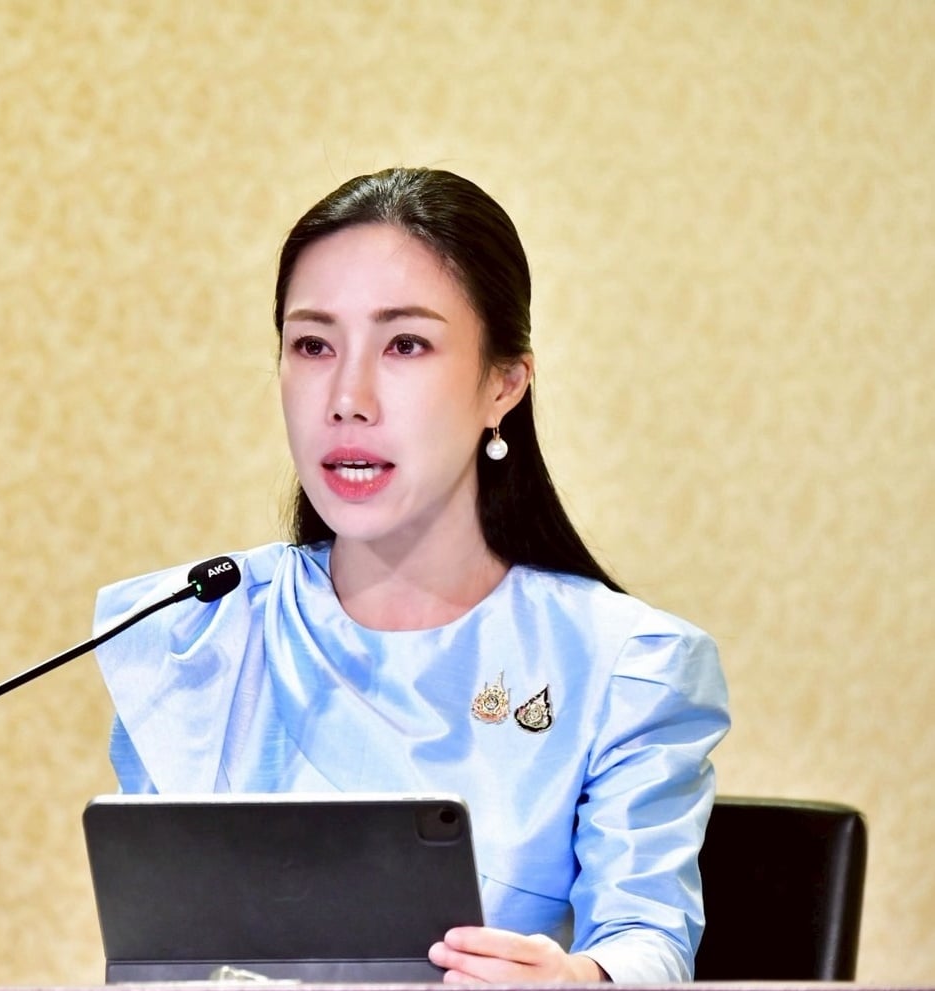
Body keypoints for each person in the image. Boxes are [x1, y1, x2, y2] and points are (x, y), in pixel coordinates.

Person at [92, 167, 729, 984]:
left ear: (503, 383)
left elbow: (650, 936)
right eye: (313, 345)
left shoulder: (625, 665)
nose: (347, 398)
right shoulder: (201, 633)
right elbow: (155, 964)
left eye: (405, 345)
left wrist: (581, 980)